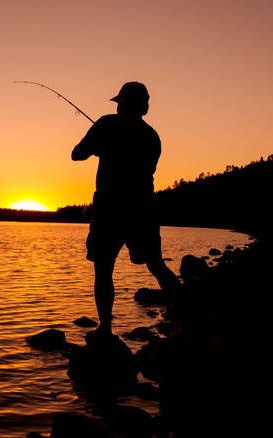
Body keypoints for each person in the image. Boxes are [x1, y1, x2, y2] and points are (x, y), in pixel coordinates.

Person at [72, 81, 181, 339]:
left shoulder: (106, 124)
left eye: (119, 101)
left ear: (123, 102)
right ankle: (185, 314)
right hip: (143, 208)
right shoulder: (152, 136)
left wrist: (100, 148)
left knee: (103, 268)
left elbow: (77, 155)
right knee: (156, 264)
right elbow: (146, 169)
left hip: (110, 209)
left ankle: (106, 330)